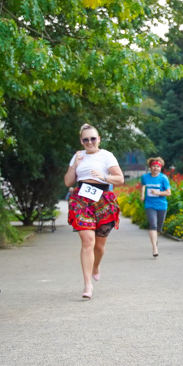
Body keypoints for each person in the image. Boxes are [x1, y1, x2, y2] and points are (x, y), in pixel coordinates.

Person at [64, 124, 123, 299]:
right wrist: (74, 165)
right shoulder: (78, 156)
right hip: (82, 199)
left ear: (99, 139)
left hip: (103, 199)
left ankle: (96, 265)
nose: (89, 142)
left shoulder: (106, 155)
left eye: (93, 138)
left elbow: (119, 179)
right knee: (87, 241)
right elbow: (68, 182)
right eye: (85, 139)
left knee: (99, 246)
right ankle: (87, 284)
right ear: (81, 141)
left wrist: (103, 176)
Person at [140, 157, 171, 258]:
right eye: (154, 166)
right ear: (150, 167)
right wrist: (142, 195)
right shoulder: (145, 177)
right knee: (153, 225)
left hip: (162, 205)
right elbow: (142, 185)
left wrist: (158, 192)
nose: (155, 168)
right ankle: (155, 248)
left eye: (158, 166)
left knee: (158, 228)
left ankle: (155, 241)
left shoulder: (163, 178)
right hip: (149, 205)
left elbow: (168, 193)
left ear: (161, 168)